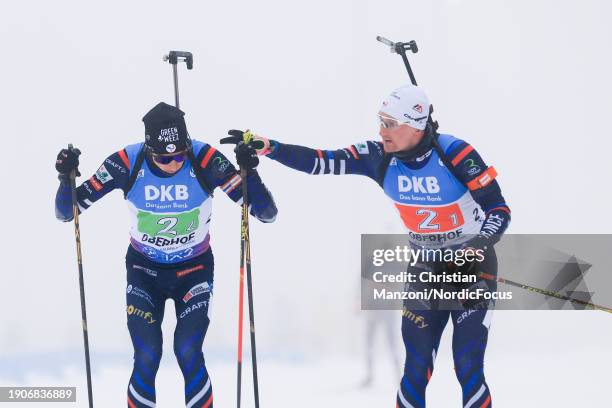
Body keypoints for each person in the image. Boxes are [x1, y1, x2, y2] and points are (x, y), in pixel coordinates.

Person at [242, 84, 510, 407]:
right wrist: (270, 148)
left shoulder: (454, 153)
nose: (381, 131)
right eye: (380, 121)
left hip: (472, 268)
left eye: (389, 123)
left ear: (415, 124)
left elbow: (499, 210)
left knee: (467, 367)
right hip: (425, 270)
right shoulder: (378, 157)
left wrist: (480, 243)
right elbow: (320, 161)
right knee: (415, 368)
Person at [54, 102, 277, 408]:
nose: (174, 163)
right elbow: (68, 212)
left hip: (193, 271)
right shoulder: (125, 162)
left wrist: (249, 173)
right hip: (144, 273)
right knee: (147, 353)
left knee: (187, 349)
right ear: (149, 150)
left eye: (179, 155)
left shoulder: (206, 159)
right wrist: (65, 180)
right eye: (164, 158)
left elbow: (266, 213)